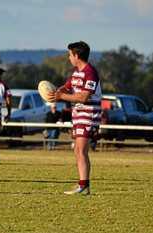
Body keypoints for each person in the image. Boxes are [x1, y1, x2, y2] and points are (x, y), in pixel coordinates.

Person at [49, 41, 101, 195]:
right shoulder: (76, 72)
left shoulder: (90, 72)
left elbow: (84, 97)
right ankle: (83, 185)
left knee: (81, 149)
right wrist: (56, 91)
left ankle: (84, 186)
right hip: (78, 113)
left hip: (89, 112)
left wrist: (61, 96)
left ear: (76, 55)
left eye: (70, 55)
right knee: (78, 150)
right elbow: (67, 86)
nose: (69, 57)